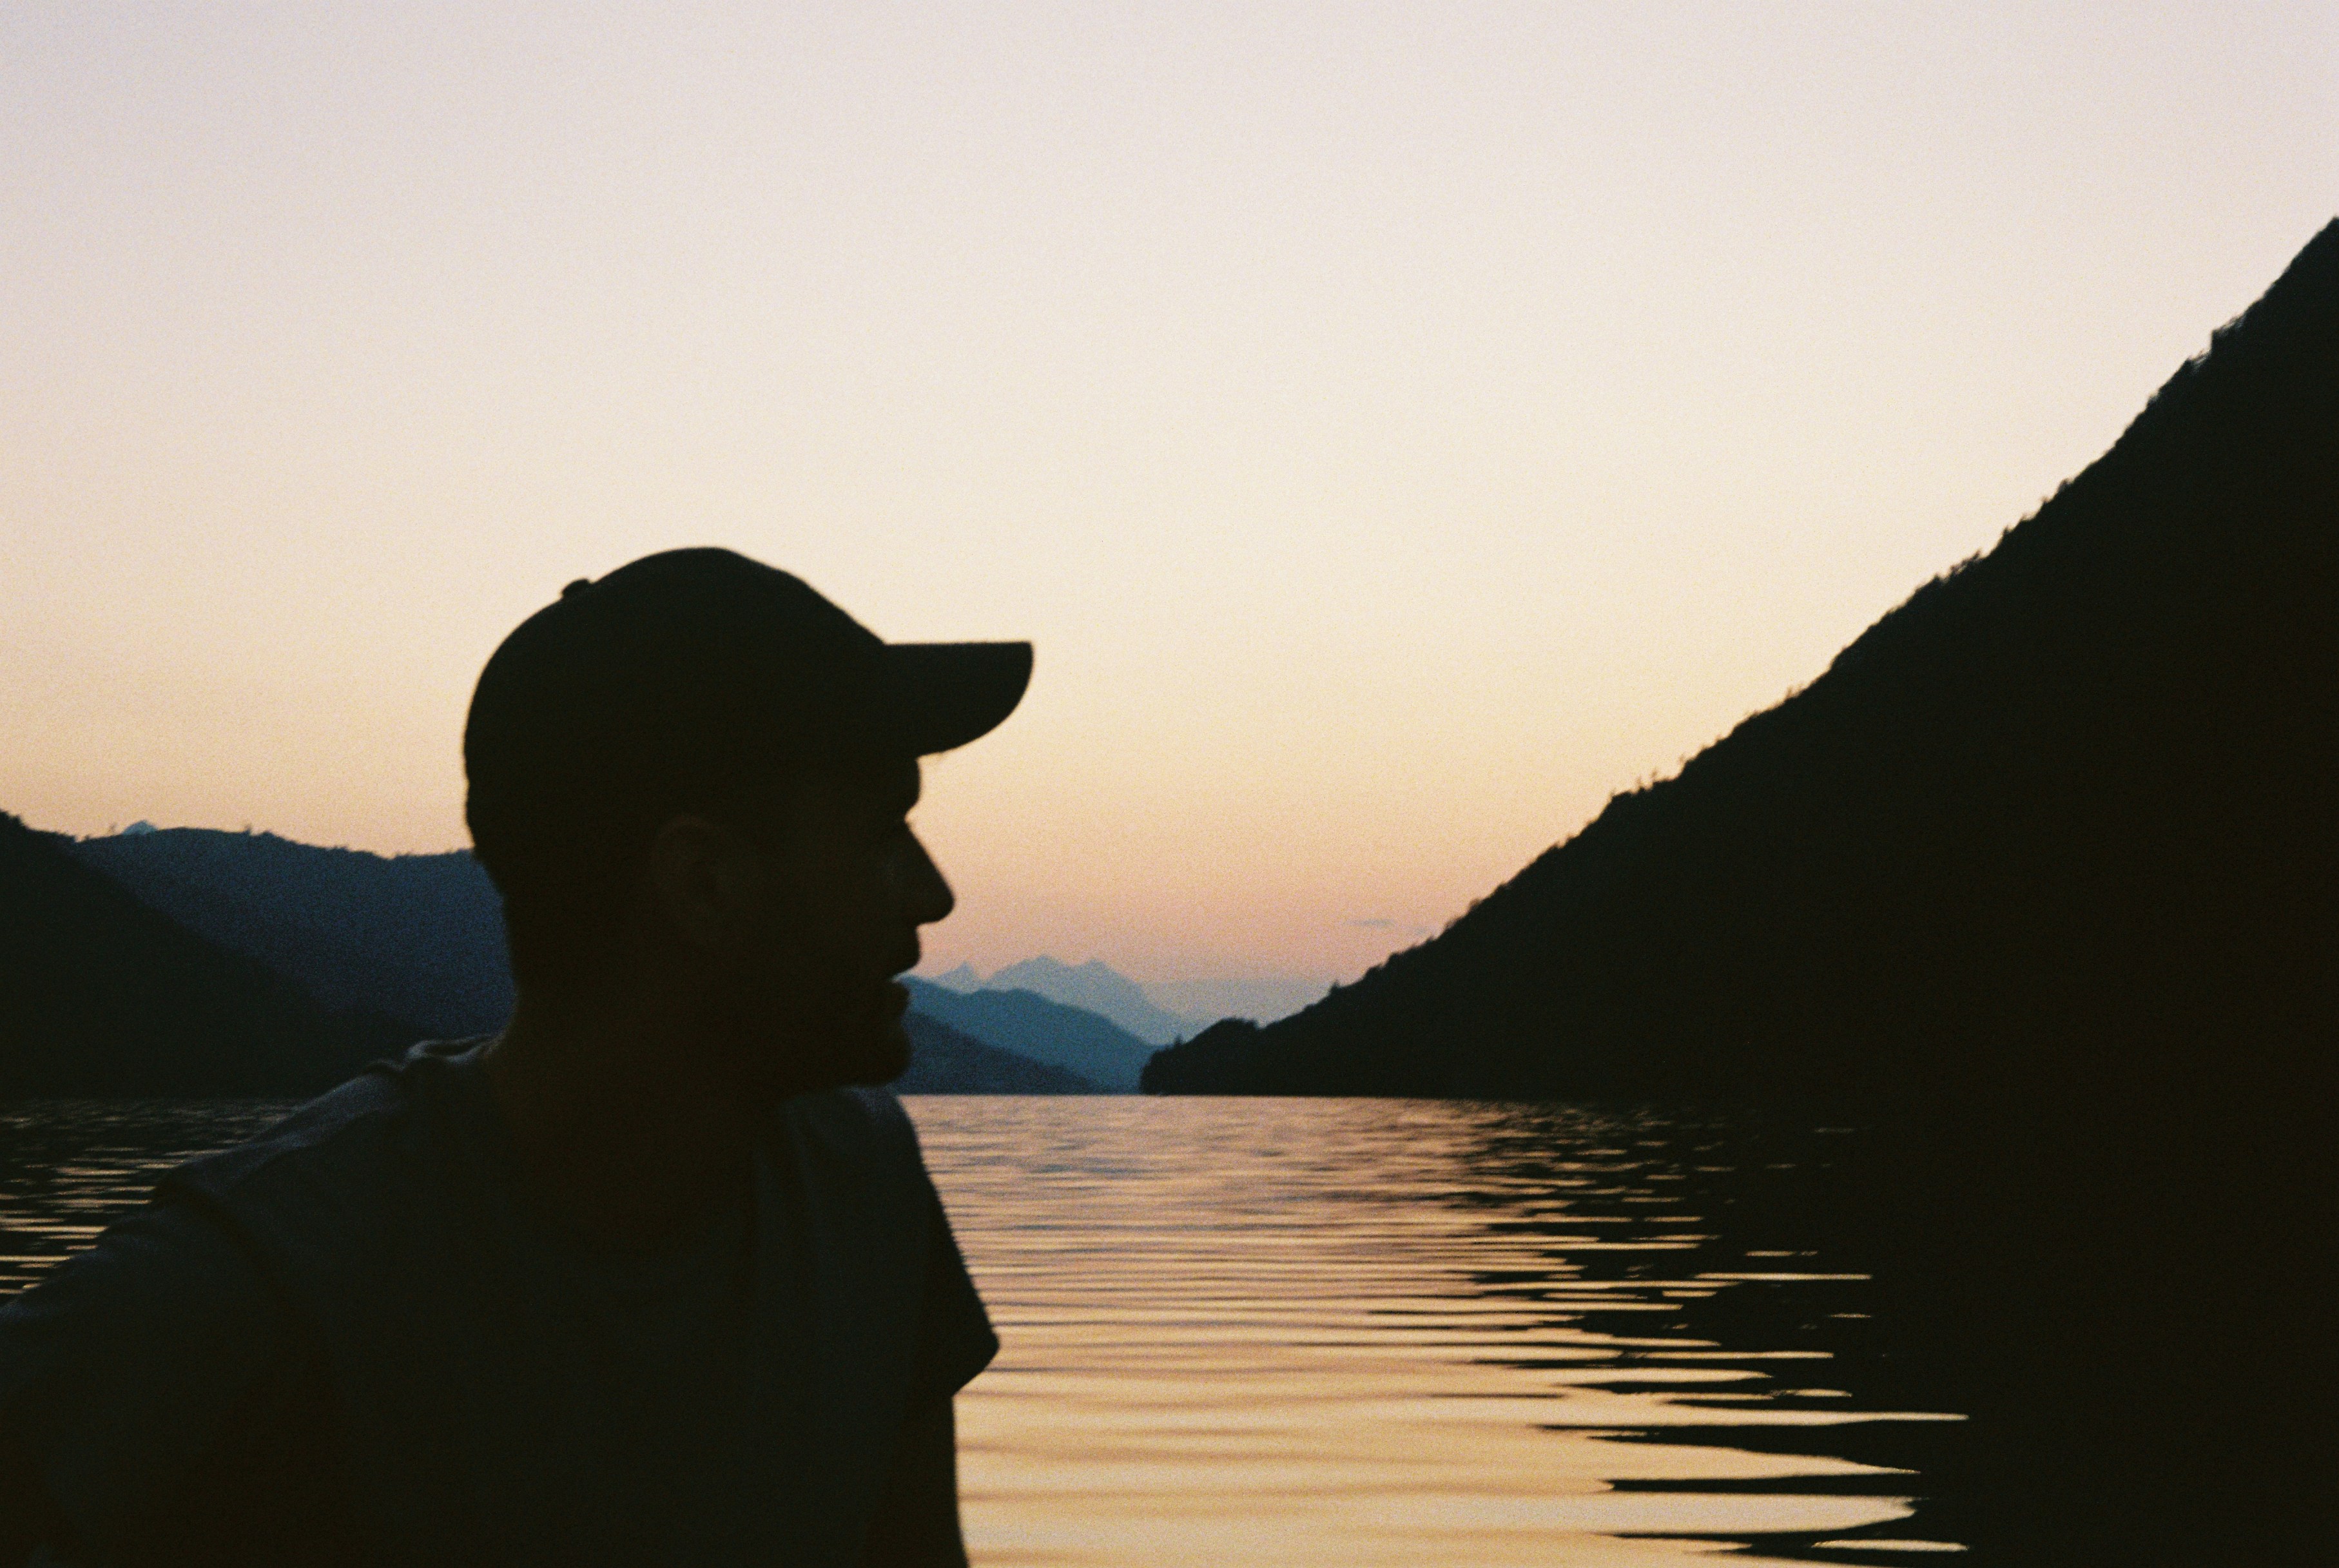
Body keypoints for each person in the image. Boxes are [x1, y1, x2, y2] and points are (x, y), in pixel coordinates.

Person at [0, 547, 1033, 1566]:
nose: (930, 892)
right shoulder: (273, 1273)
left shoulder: (862, 1187)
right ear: (704, 884)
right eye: (881, 832)